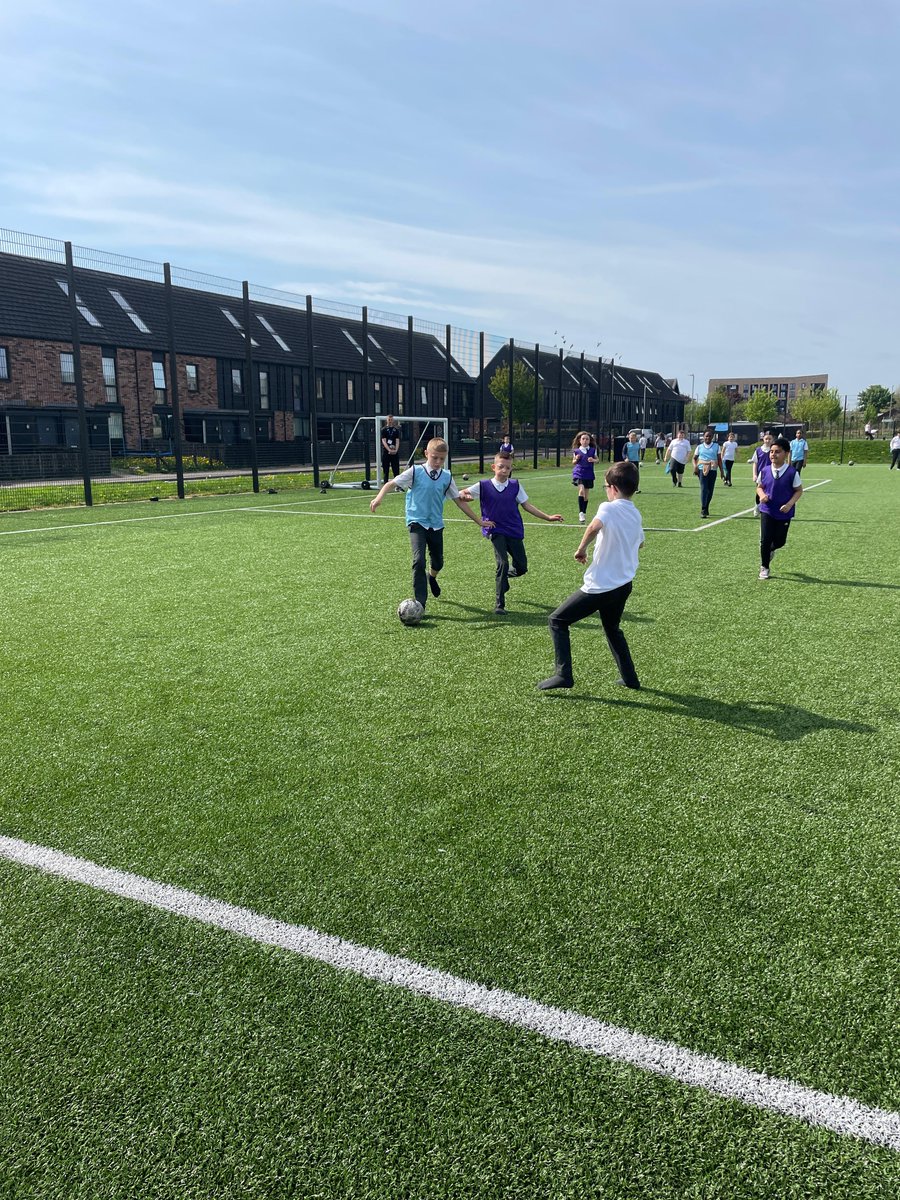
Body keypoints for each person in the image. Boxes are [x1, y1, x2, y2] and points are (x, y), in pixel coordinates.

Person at [538, 460, 643, 692]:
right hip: (623, 585)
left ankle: (563, 675)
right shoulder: (635, 514)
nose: (606, 491)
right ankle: (630, 678)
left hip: (601, 586)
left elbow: (594, 526)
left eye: (606, 486)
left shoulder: (608, 507)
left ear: (613, 488)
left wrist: (581, 549)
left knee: (557, 620)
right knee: (612, 629)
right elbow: (641, 543)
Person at [369, 437, 491, 609]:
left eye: (442, 459)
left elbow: (459, 501)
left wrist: (479, 520)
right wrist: (379, 498)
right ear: (426, 454)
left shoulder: (447, 477)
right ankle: (420, 602)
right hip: (416, 522)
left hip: (436, 525)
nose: (438, 462)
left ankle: (431, 577)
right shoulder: (415, 471)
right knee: (418, 560)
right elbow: (391, 483)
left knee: (438, 562)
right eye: (435, 458)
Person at [460, 453, 563, 614]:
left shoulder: (515, 485)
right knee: (503, 563)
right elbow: (462, 494)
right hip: (495, 530)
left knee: (521, 567)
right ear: (494, 467)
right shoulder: (483, 485)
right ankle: (499, 605)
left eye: (508, 467)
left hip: (514, 530)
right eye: (501, 466)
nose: (504, 470)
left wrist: (548, 517)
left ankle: (503, 578)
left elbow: (527, 505)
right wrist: (467, 496)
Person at [756, 436, 802, 579]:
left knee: (780, 541)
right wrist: (762, 495)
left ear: (786, 454)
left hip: (784, 512)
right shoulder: (764, 470)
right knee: (765, 539)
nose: (773, 455)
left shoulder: (792, 473)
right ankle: (764, 567)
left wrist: (789, 504)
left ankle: (771, 550)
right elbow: (759, 487)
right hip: (767, 510)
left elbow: (799, 490)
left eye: (777, 452)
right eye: (771, 452)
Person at [692, 429, 723, 518]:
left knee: (710, 490)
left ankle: (707, 506)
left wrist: (722, 471)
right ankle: (703, 508)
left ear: (712, 437)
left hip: (713, 469)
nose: (708, 438)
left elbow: (719, 459)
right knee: (704, 489)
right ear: (703, 437)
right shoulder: (699, 447)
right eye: (706, 436)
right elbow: (694, 458)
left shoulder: (716, 446)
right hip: (702, 470)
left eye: (709, 436)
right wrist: (695, 467)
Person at [571, 430, 599, 524]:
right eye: (583, 439)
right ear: (579, 440)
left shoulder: (592, 450)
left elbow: (597, 459)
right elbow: (573, 462)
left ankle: (584, 512)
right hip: (579, 473)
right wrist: (576, 459)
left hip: (589, 474)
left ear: (589, 440)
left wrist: (593, 460)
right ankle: (580, 513)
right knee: (581, 491)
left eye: (587, 439)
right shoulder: (576, 451)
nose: (585, 440)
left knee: (586, 496)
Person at [751, 431, 775, 516]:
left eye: (769, 439)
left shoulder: (774, 451)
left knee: (770, 492)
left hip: (771, 475)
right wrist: (754, 475)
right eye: (766, 439)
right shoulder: (758, 450)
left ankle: (767, 509)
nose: (768, 441)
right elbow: (755, 463)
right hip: (761, 475)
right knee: (759, 492)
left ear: (772, 440)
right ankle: (757, 506)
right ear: (763, 439)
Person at [380, 415, 402, 480]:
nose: (390, 421)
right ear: (386, 420)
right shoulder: (383, 429)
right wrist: (389, 449)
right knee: (385, 469)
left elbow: (397, 441)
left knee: (396, 469)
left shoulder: (396, 430)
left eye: (391, 419)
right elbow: (383, 441)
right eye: (389, 419)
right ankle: (385, 484)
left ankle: (397, 485)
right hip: (386, 452)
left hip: (394, 452)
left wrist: (396, 450)